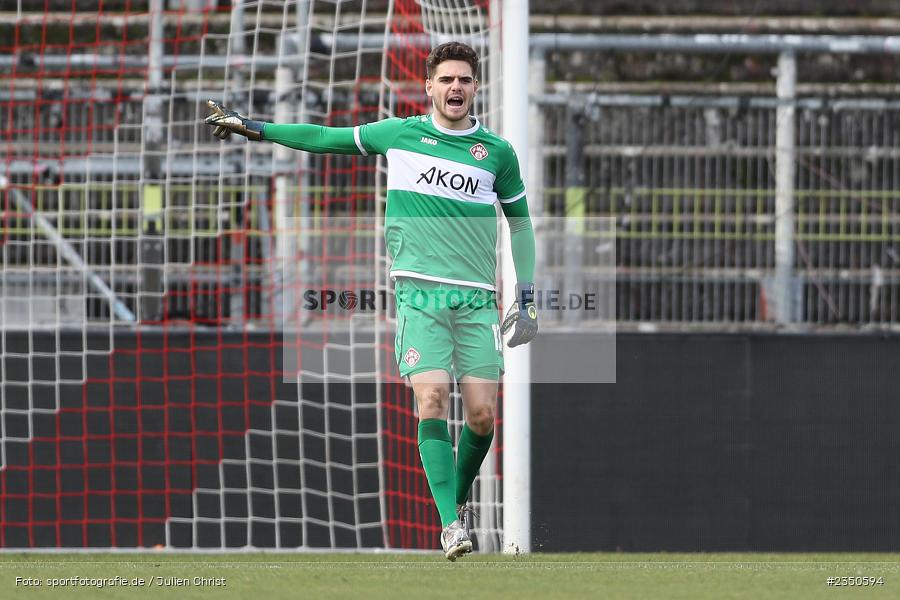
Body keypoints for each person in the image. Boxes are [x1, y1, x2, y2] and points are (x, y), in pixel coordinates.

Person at [205, 41, 537, 561]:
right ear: (428, 86)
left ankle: (457, 501)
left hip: (477, 301)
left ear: (476, 88)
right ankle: (451, 524)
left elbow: (520, 223)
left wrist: (528, 292)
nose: (455, 88)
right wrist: (258, 128)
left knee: (481, 418)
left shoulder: (497, 153)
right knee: (431, 401)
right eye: (446, 79)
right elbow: (322, 137)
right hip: (418, 296)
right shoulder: (399, 135)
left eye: (464, 80)